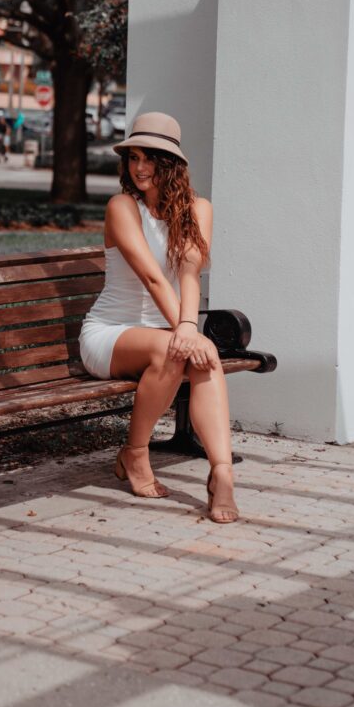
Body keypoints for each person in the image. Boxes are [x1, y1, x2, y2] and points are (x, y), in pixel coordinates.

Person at [78, 111, 239, 523]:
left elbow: (189, 273)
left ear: (172, 165)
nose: (140, 167)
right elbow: (151, 276)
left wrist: (190, 331)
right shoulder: (121, 207)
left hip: (163, 334)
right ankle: (135, 453)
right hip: (110, 335)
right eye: (133, 157)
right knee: (178, 349)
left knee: (203, 356)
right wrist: (185, 330)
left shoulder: (199, 209)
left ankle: (222, 474)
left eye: (150, 158)